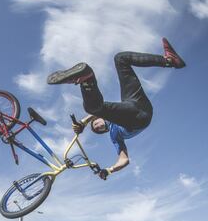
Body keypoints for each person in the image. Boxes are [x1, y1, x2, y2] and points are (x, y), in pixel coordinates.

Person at [47, 38, 186, 180]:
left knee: (121, 59)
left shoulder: (106, 114)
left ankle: (169, 61)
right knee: (95, 107)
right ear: (104, 131)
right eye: (99, 129)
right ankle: (87, 79)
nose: (99, 126)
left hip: (135, 102)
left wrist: (83, 122)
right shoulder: (114, 136)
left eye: (96, 124)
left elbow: (96, 113)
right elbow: (124, 160)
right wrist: (109, 170)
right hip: (138, 120)